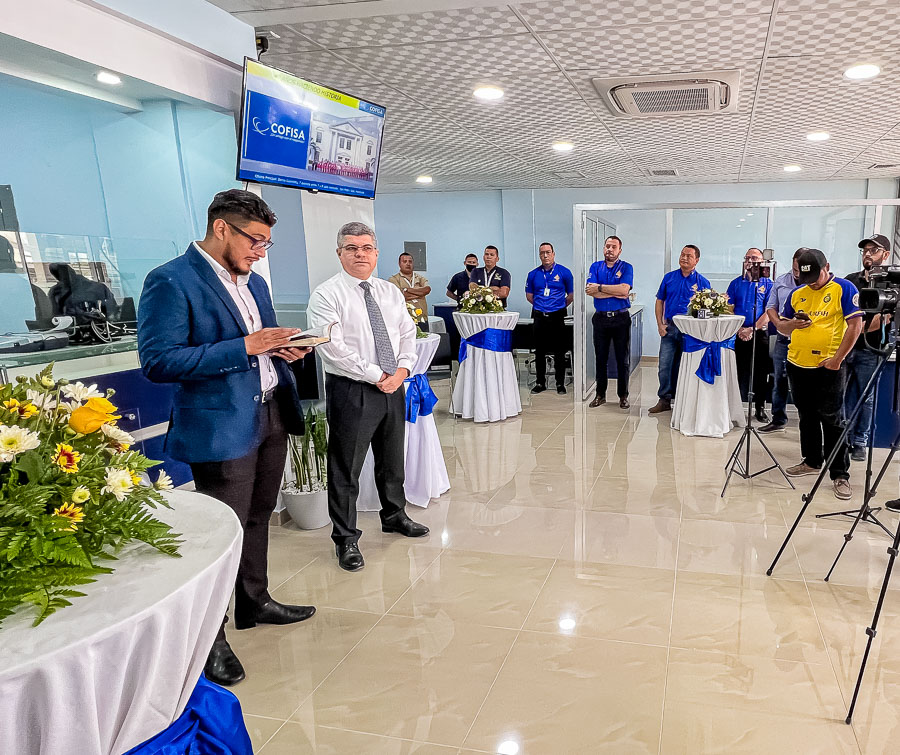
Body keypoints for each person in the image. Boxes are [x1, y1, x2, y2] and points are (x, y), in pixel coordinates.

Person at [137, 189, 316, 687]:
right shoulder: (171, 280)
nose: (261, 251)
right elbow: (159, 361)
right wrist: (245, 347)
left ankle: (254, 600)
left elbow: (259, 345)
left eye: (266, 243)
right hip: (220, 426)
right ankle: (210, 638)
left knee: (259, 515)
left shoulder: (254, 282)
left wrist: (281, 349)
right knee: (220, 533)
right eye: (255, 240)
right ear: (222, 229)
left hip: (271, 411)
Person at [307, 221, 430, 573]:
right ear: (339, 253)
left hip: (394, 384)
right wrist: (377, 375)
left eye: (366, 248)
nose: (359, 254)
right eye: (351, 248)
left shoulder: (389, 292)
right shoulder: (326, 295)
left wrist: (402, 371)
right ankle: (346, 538)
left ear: (376, 253)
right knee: (346, 467)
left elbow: (407, 333)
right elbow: (332, 348)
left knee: (392, 458)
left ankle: (394, 515)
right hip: (353, 389)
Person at [775, 248, 863, 500]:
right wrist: (790, 325)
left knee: (832, 419)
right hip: (797, 363)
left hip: (829, 366)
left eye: (815, 276)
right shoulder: (797, 293)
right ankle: (812, 460)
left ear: (827, 267)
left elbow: (855, 326)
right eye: (806, 278)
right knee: (806, 415)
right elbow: (782, 327)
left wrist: (837, 359)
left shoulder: (844, 288)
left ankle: (840, 474)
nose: (811, 283)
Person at [845, 234, 892, 461]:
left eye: (874, 250)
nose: (868, 254)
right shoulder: (850, 281)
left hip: (872, 350)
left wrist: (857, 329)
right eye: (865, 250)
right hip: (846, 347)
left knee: (866, 397)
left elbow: (886, 318)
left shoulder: (890, 285)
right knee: (841, 395)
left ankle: (859, 441)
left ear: (885, 255)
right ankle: (842, 439)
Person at [649, 245, 710, 414]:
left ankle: (683, 400)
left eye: (689, 256)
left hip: (690, 331)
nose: (684, 258)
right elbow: (659, 301)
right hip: (670, 328)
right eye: (682, 254)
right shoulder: (669, 278)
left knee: (685, 366)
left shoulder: (702, 282)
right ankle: (664, 399)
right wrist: (660, 325)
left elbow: (706, 309)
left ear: (696, 260)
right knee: (665, 365)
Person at [586, 235, 634, 409]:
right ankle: (600, 395)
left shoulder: (626, 267)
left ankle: (623, 396)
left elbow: (624, 290)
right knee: (601, 358)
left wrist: (600, 288)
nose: (610, 249)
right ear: (603, 248)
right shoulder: (595, 267)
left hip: (620, 319)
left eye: (614, 247)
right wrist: (615, 291)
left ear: (619, 250)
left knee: (622, 359)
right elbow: (590, 291)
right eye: (607, 246)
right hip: (600, 319)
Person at [726, 248, 773, 422]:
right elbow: (728, 308)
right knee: (737, 371)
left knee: (760, 373)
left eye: (754, 258)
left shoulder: (768, 284)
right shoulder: (735, 283)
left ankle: (759, 408)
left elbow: (769, 311)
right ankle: (735, 409)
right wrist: (739, 329)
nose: (750, 261)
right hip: (738, 333)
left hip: (759, 333)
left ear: (761, 261)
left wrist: (752, 329)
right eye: (747, 258)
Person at [760, 250, 803, 433]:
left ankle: (806, 422)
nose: (797, 274)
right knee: (779, 379)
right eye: (795, 269)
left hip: (806, 341)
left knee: (803, 382)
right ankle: (778, 419)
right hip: (783, 339)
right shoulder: (781, 281)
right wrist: (778, 324)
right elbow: (771, 306)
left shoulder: (815, 282)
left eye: (800, 270)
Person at [525, 242, 574, 394]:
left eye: (548, 252)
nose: (545, 255)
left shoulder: (564, 272)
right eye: (542, 253)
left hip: (557, 316)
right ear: (539, 255)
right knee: (539, 351)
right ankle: (540, 382)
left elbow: (571, 295)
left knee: (559, 351)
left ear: (553, 254)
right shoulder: (533, 274)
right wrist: (543, 306)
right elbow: (529, 296)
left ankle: (560, 383)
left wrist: (557, 306)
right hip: (539, 315)